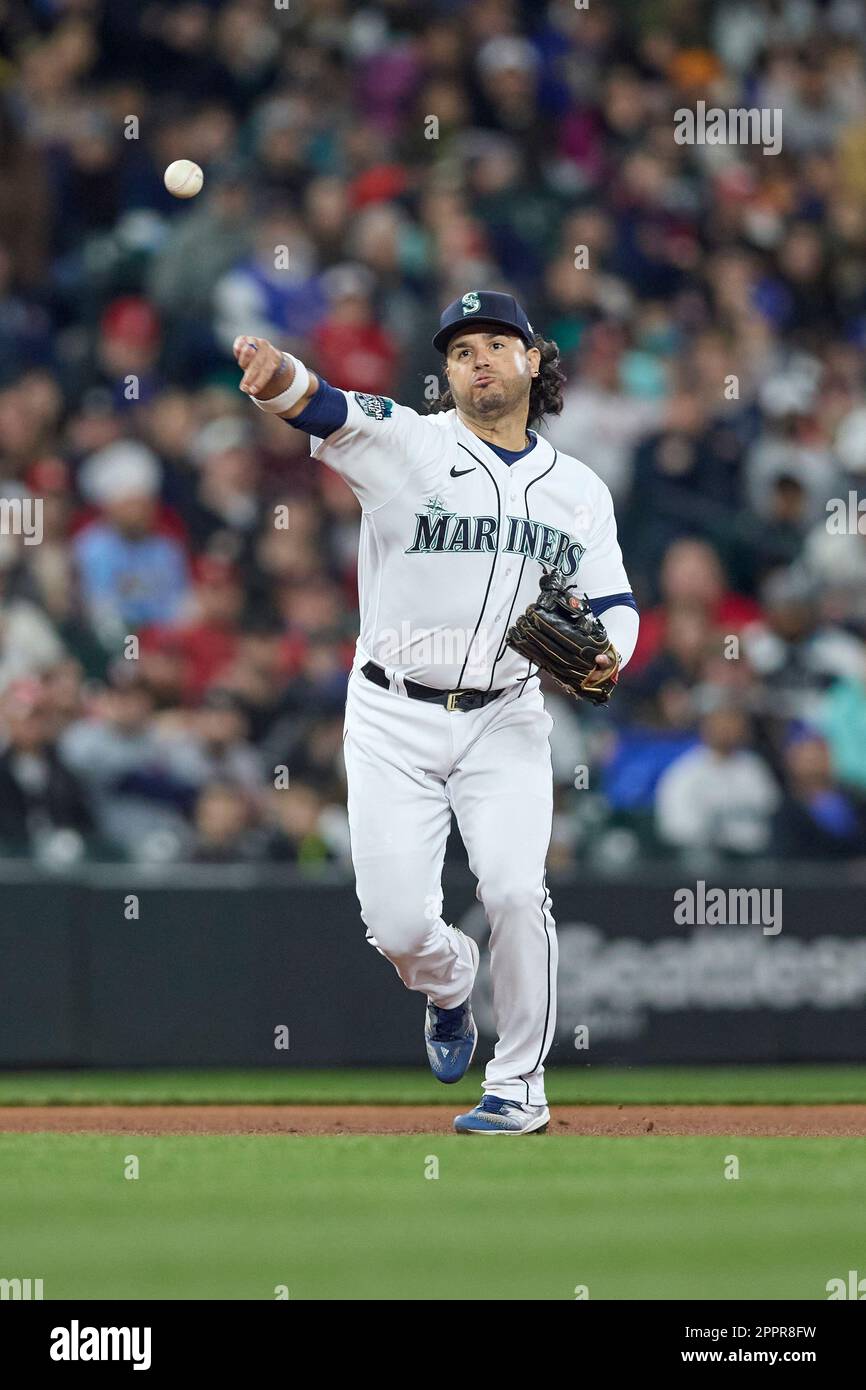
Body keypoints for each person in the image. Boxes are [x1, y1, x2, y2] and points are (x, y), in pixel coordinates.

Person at [233, 290, 639, 1135]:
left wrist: (613, 653)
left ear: (534, 360)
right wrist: (278, 378)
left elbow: (615, 601)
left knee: (518, 893)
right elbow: (327, 405)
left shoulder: (580, 491)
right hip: (390, 714)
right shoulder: (410, 443)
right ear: (445, 372)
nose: (478, 358)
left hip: (507, 716)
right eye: (460, 350)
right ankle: (450, 985)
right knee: (398, 925)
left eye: (496, 343)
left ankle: (519, 1086)